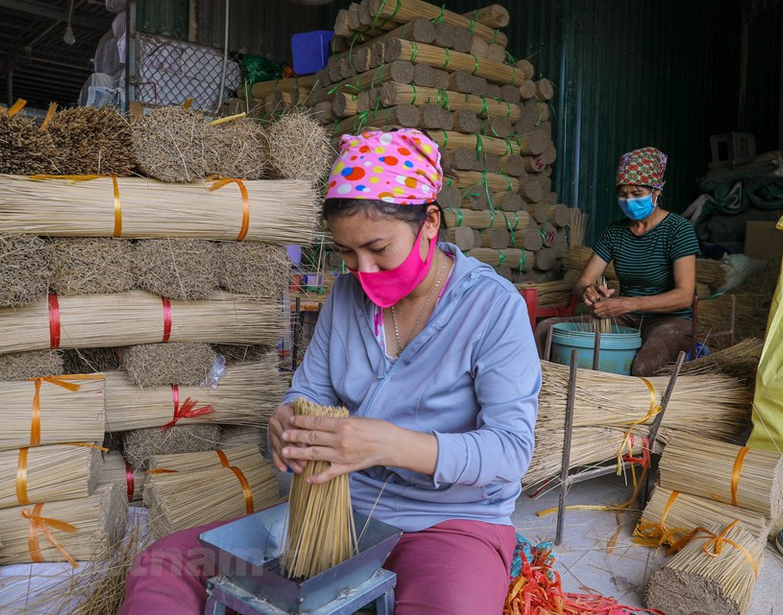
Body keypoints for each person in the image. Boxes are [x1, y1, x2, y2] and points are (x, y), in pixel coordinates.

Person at [119, 129, 541, 615]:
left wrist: (385, 443)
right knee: (164, 565)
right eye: (346, 253)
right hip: (336, 505)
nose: (363, 270)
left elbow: (510, 451)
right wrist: (287, 419)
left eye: (378, 248)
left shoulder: (492, 308)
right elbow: (308, 391)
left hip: (446, 520)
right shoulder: (345, 297)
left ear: (429, 222)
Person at [536, 146, 699, 376]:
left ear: (657, 191)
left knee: (645, 365)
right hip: (625, 318)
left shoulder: (678, 230)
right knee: (546, 330)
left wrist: (629, 303)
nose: (629, 200)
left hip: (671, 321)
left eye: (637, 193)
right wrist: (588, 292)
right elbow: (581, 284)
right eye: (622, 194)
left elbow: (684, 296)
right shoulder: (614, 233)